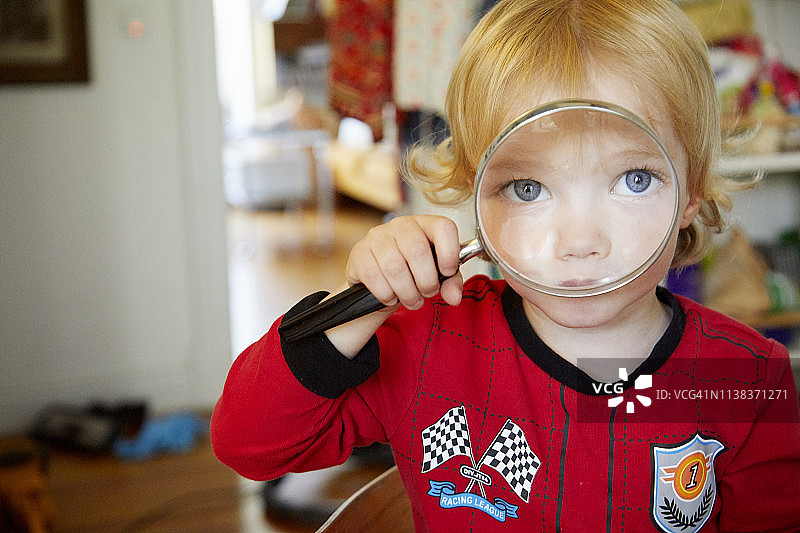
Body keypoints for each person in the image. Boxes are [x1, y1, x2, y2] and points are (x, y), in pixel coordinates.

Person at [211, 1, 800, 531]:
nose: (579, 242)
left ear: (691, 191)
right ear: (477, 199)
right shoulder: (422, 347)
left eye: (633, 180)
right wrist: (356, 310)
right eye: (526, 188)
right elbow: (248, 444)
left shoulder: (747, 378)